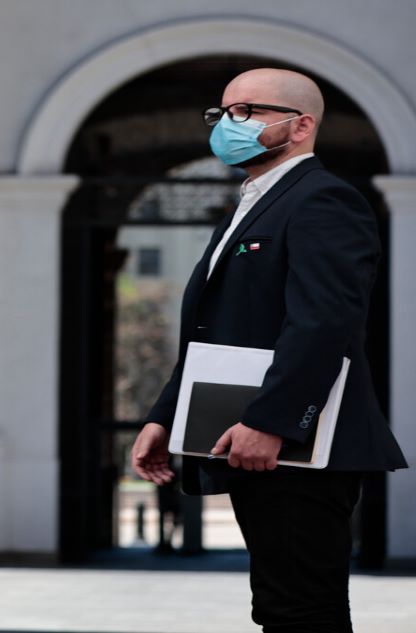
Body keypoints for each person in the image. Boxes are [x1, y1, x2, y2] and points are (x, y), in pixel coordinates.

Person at [130, 68, 407, 632]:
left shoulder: (323, 199)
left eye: (247, 111)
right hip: (257, 444)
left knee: (303, 608)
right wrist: (166, 416)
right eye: (222, 112)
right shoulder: (253, 202)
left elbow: (324, 322)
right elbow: (218, 330)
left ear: (301, 125)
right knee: (280, 605)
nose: (228, 124)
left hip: (295, 448)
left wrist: (273, 421)